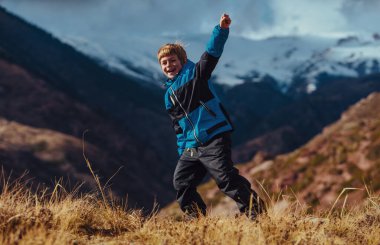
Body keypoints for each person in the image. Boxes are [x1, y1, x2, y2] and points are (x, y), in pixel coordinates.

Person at [157, 13, 264, 218]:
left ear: (183, 60)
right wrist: (183, 150)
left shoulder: (196, 74)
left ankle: (255, 211)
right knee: (181, 182)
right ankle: (195, 219)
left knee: (225, 178)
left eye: (172, 60)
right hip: (191, 146)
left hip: (213, 136)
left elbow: (212, 52)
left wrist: (221, 29)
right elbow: (178, 127)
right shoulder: (168, 95)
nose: (169, 65)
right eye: (164, 63)